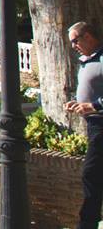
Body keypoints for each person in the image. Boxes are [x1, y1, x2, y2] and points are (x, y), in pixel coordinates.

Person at [65, 21, 103, 229]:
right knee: (93, 174)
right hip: (94, 126)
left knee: (90, 173)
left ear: (88, 36)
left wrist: (94, 106)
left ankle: (87, 224)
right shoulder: (86, 62)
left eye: (75, 40)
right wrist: (78, 104)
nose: (73, 46)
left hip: (101, 125)